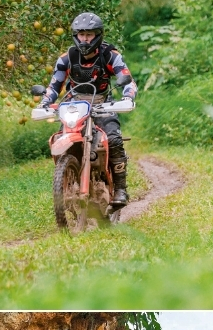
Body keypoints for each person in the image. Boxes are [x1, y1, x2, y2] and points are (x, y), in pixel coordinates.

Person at [38, 12, 138, 206]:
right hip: (73, 105)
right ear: (76, 35)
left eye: (89, 34)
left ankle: (120, 190)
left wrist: (127, 96)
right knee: (60, 141)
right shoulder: (66, 58)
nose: (85, 39)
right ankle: (67, 181)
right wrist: (45, 101)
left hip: (102, 103)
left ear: (97, 35)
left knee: (114, 139)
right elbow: (54, 86)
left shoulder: (110, 55)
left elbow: (128, 80)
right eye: (81, 34)